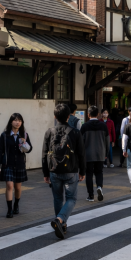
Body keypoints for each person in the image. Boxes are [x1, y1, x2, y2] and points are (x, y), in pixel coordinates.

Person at [42, 103, 86, 240]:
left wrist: (45, 173)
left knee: (57, 198)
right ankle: (60, 220)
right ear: (69, 116)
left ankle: (61, 224)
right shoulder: (75, 132)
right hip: (71, 170)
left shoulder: (49, 132)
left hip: (54, 170)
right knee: (71, 198)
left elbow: (44, 154)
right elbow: (81, 154)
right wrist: (82, 171)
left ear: (55, 116)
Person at [80, 106, 107, 203]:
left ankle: (91, 195)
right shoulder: (103, 125)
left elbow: (81, 142)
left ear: (88, 115)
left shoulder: (84, 126)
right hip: (100, 153)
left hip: (88, 155)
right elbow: (107, 140)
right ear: (98, 114)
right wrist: (106, 153)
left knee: (89, 174)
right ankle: (99, 187)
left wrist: (80, 155)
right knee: (99, 172)